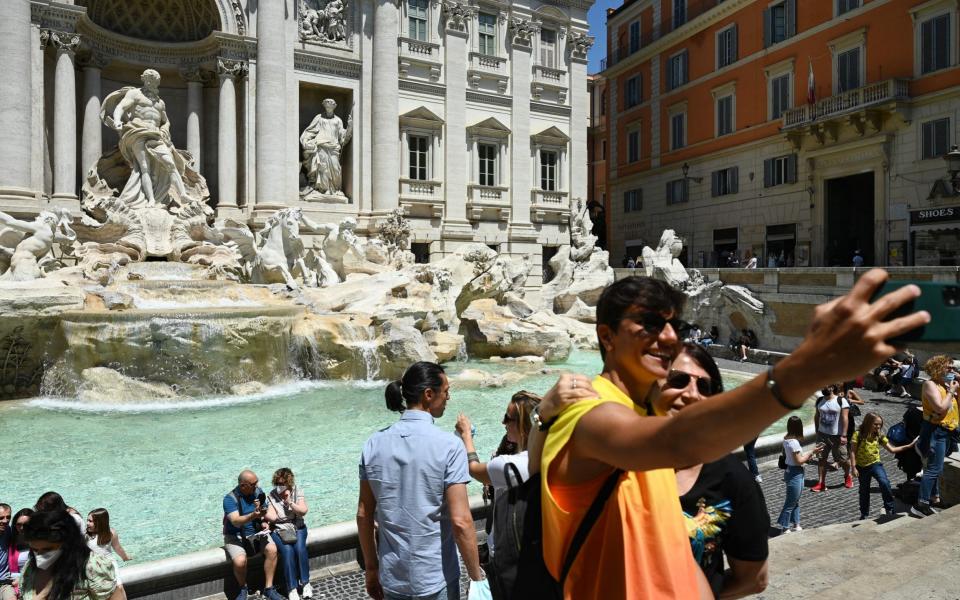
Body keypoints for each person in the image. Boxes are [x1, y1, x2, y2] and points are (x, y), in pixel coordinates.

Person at [525, 270, 927, 599]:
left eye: (673, 325)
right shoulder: (585, 407)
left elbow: (669, 552)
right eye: (648, 323)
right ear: (607, 336)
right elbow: (678, 440)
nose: (667, 337)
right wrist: (806, 370)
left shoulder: (644, 411)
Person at [357, 362, 485, 600]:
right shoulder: (450, 446)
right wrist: (476, 577)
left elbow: (364, 513)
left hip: (392, 577)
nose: (449, 397)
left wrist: (372, 569)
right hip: (436, 577)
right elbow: (461, 521)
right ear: (429, 394)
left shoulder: (373, 444)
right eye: (445, 391)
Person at [652, 344, 770, 599]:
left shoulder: (734, 478)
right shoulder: (616, 458)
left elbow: (754, 579)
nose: (692, 393)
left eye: (705, 387)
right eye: (678, 380)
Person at [455, 391, 541, 558]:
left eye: (508, 418)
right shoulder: (553, 455)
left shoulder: (509, 465)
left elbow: (473, 469)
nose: (503, 422)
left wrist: (466, 436)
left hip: (509, 554)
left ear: (523, 425)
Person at [18, 510, 124, 600]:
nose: (40, 556)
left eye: (47, 549)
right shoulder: (30, 566)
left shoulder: (91, 566)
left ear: (67, 544)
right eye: (35, 549)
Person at [223, 470, 283, 600]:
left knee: (272, 550)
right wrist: (253, 515)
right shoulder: (229, 499)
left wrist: (264, 522)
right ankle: (242, 588)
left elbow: (264, 511)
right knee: (240, 561)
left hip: (256, 533)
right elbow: (235, 521)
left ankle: (269, 588)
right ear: (243, 485)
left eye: (257, 482)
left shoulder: (258, 492)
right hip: (236, 536)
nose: (257, 485)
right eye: (253, 483)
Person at [912, 355, 959, 517]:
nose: (952, 370)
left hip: (947, 431)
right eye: (949, 367)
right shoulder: (930, 384)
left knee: (935, 467)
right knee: (934, 468)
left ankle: (934, 497)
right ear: (938, 368)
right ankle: (921, 504)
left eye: (953, 368)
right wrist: (951, 392)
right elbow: (939, 408)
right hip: (935, 431)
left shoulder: (945, 385)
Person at [851, 413, 916, 519]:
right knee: (864, 490)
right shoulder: (858, 435)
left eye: (880, 425)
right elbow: (852, 452)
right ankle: (864, 513)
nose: (878, 427)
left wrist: (908, 446)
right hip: (861, 467)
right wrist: (853, 467)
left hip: (875, 464)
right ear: (868, 423)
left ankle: (889, 508)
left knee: (884, 483)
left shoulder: (879, 435)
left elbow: (892, 449)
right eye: (875, 424)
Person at [267, 468, 312, 600]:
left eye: (282, 484)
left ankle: (305, 583)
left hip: (298, 527)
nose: (280, 486)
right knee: (287, 551)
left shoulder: (298, 491)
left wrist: (290, 502)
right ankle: (291, 588)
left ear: (289, 482)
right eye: (277, 483)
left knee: (300, 549)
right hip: (280, 529)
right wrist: (263, 514)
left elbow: (303, 511)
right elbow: (273, 517)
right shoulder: (272, 495)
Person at [777, 417, 822, 533]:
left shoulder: (786, 439)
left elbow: (794, 458)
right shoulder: (794, 443)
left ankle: (796, 524)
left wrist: (809, 454)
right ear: (799, 427)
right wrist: (812, 452)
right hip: (795, 473)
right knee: (791, 502)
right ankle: (785, 527)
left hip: (790, 472)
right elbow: (799, 461)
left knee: (795, 500)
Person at [812, 384, 852, 492]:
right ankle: (821, 483)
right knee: (821, 459)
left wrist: (844, 435)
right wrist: (817, 430)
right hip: (822, 435)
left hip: (837, 436)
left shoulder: (841, 401)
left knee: (843, 460)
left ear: (832, 387)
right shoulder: (819, 400)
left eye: (826, 386)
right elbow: (817, 415)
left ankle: (847, 475)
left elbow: (845, 418)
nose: (823, 387)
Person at [84, 510, 130, 591]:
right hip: (94, 565)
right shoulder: (86, 535)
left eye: (90, 521)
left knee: (119, 586)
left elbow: (118, 548)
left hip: (109, 563)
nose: (87, 523)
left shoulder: (111, 533)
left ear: (100, 523)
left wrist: (125, 557)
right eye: (87, 520)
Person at [10, 508, 33, 590]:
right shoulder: (10, 540)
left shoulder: (40, 542)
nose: (22, 528)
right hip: (11, 582)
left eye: (26, 524)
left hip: (32, 582)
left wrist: (21, 579)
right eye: (19, 524)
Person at [0, 504, 11, 600]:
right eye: (1, 518)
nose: (5, 521)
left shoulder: (8, 530)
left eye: (8, 517)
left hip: (5, 583)